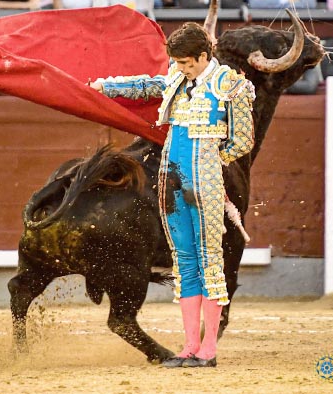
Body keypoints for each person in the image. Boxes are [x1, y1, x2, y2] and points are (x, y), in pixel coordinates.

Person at [90, 22, 255, 368]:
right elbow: (146, 85)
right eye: (177, 63)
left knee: (210, 260)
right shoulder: (178, 80)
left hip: (204, 183)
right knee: (184, 262)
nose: (179, 69)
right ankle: (190, 346)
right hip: (172, 179)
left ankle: (209, 348)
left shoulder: (231, 86)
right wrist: (105, 87)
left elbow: (243, 140)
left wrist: (212, 159)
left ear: (203, 56)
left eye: (185, 63)